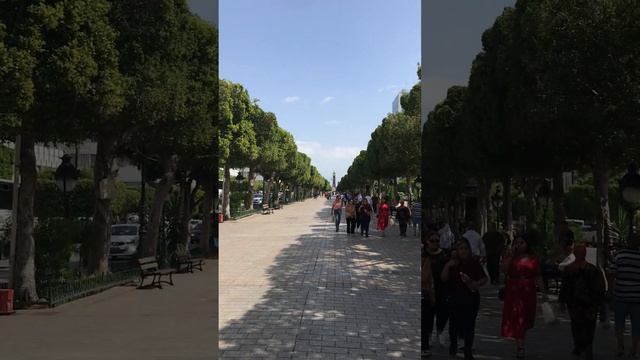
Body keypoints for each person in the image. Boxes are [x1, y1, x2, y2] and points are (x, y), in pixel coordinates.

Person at [501, 232, 548, 359]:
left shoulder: (533, 258)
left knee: (525, 318)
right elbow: (504, 270)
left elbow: (538, 276)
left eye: (521, 242)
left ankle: (520, 338)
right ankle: (520, 346)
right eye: (516, 242)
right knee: (517, 317)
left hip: (528, 290)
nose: (519, 245)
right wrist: (510, 256)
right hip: (513, 289)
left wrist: (544, 293)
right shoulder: (510, 256)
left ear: (527, 244)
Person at [442, 238, 488, 360]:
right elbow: (444, 278)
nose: (463, 251)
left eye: (465, 249)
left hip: (470, 298)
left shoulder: (474, 263)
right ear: (456, 250)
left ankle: (468, 349)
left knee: (469, 325)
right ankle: (453, 346)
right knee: (454, 325)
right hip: (455, 297)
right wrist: (448, 265)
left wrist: (476, 284)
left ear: (469, 250)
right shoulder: (452, 263)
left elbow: (484, 279)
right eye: (461, 249)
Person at [559, 245, 606, 360]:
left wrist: (600, 304)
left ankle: (586, 347)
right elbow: (565, 287)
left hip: (589, 304)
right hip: (576, 303)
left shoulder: (591, 270)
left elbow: (599, 288)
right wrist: (562, 302)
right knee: (578, 325)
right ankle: (581, 346)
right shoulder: (570, 269)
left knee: (586, 326)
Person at [609, 234, 640, 358]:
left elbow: (611, 274)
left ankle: (620, 347)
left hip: (621, 295)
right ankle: (634, 348)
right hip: (637, 298)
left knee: (619, 323)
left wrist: (610, 291)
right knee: (637, 325)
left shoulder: (619, 255)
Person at [422, 231, 450, 355]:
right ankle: (427, 336)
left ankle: (439, 332)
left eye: (437, 241)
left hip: (442, 289)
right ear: (427, 241)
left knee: (442, 312)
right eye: (432, 240)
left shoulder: (444, 255)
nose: (435, 243)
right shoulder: (423, 255)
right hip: (427, 290)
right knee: (428, 315)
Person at [422, 242, 436, 358]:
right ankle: (424, 347)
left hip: (425, 293)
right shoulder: (425, 260)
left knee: (425, 322)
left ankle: (425, 346)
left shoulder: (426, 260)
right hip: (424, 293)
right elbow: (426, 278)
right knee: (425, 322)